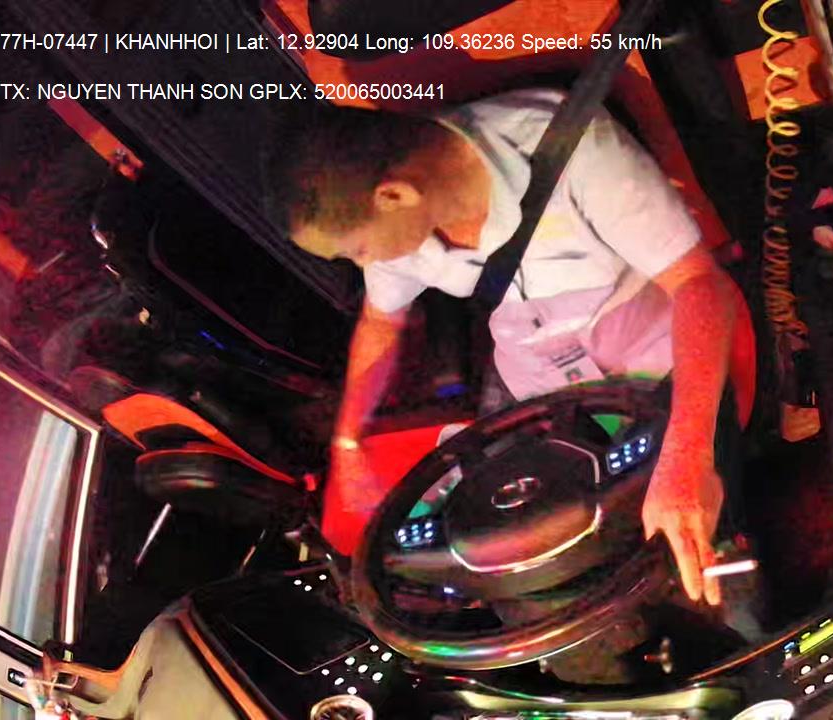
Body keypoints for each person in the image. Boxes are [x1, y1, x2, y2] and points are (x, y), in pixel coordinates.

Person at [270, 88, 752, 606]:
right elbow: (380, 322)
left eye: (357, 250)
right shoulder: (398, 223)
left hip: (654, 367)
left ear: (395, 196)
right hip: (538, 393)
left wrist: (686, 457)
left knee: (688, 543)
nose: (361, 263)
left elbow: (699, 284)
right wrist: (347, 441)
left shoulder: (571, 146)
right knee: (504, 565)